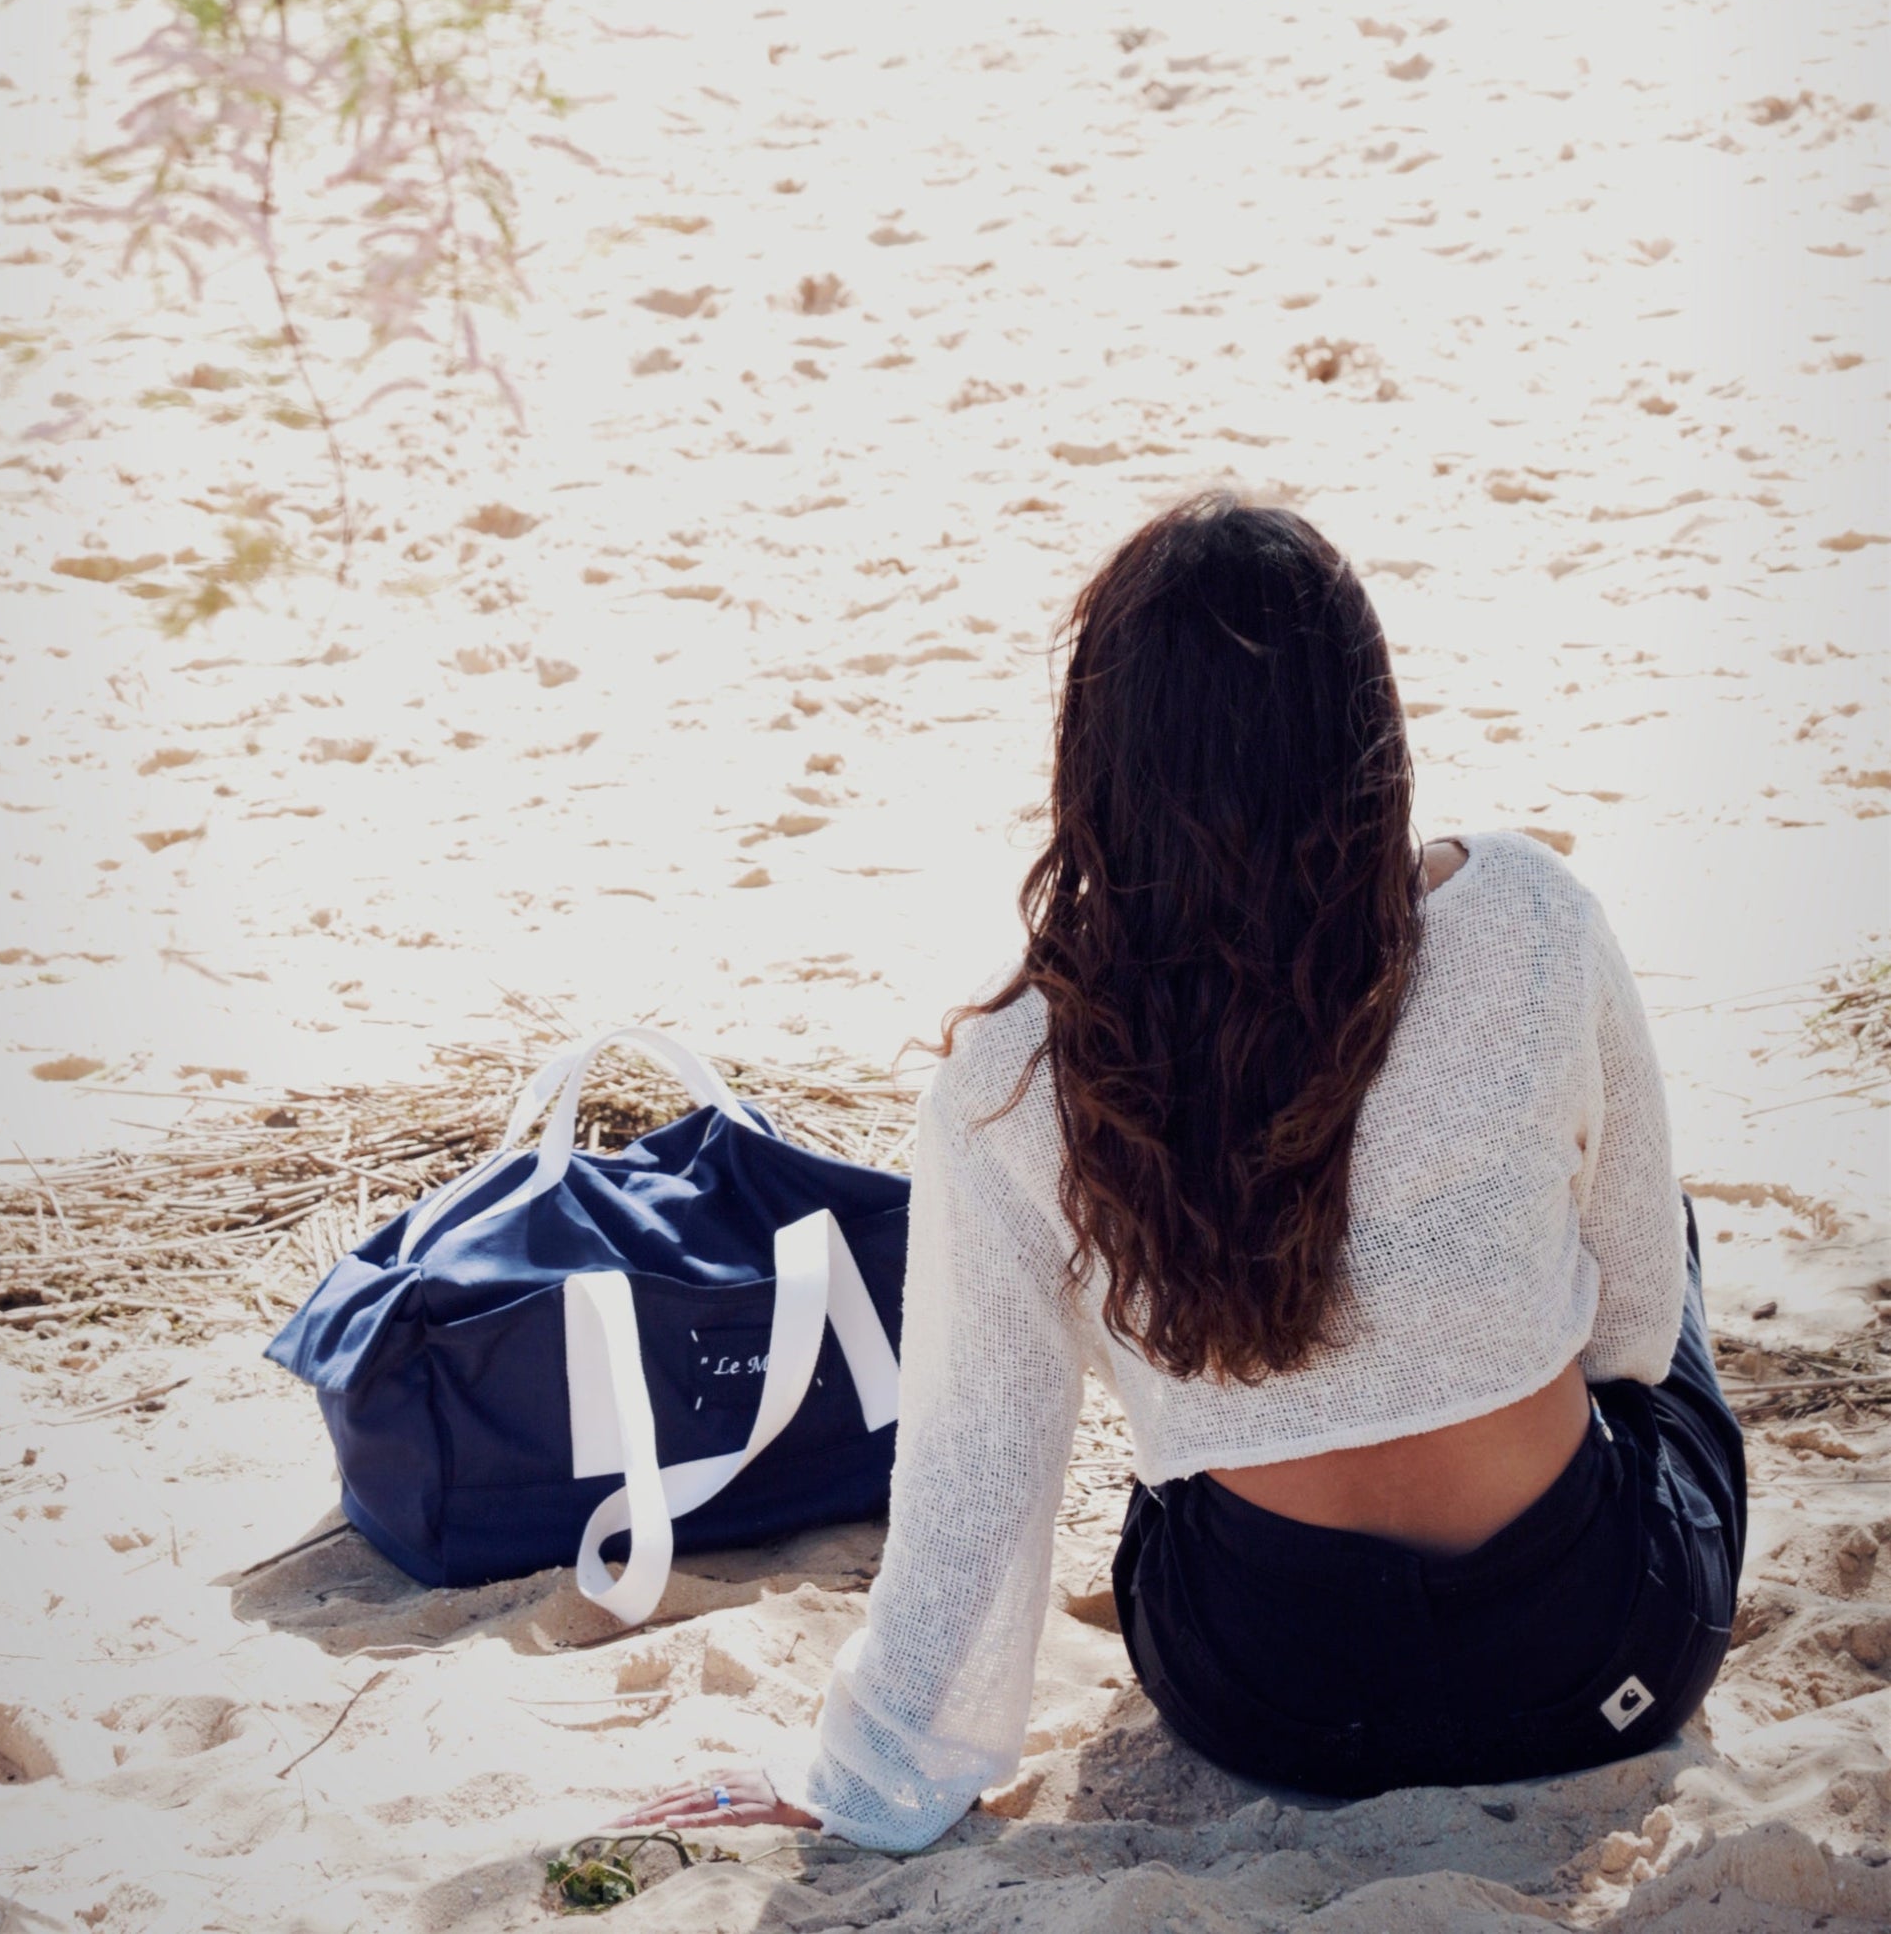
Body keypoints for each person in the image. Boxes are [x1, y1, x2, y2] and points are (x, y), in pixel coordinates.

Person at [616, 495, 1746, 1852]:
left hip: (1272, 1698)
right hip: (1597, 1664)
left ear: (1101, 760)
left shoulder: (1018, 1071)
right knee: (1655, 1232)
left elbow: (982, 1465)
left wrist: (868, 1781)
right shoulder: (1526, 915)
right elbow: (1621, 1332)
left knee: (1187, 1452)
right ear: (1364, 734)